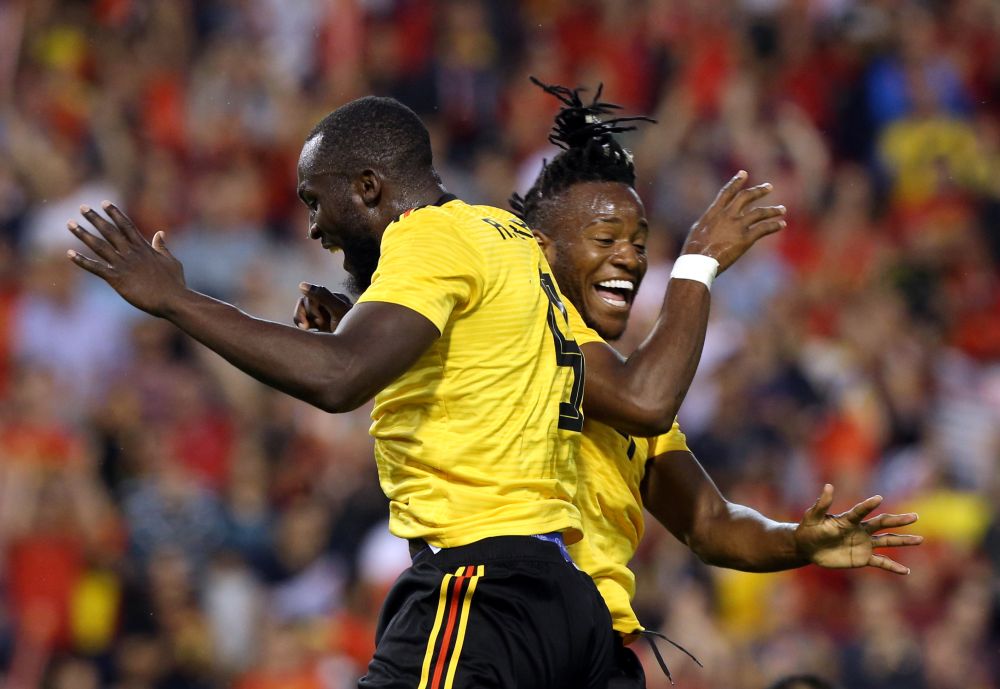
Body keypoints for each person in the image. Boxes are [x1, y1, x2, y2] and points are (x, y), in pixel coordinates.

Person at [296, 83, 922, 688]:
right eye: (605, 239)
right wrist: (698, 263)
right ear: (539, 250)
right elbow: (639, 399)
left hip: (560, 629)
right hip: (521, 614)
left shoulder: (614, 377)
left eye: (639, 243)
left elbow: (708, 521)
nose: (629, 256)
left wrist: (797, 541)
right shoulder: (542, 334)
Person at [66, 96, 614, 689]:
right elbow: (482, 365)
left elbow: (338, 378)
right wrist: (362, 317)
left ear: (369, 187)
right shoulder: (502, 235)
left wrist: (175, 299)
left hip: (481, 584)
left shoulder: (427, 237)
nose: (312, 226)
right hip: (560, 595)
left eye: (314, 200)